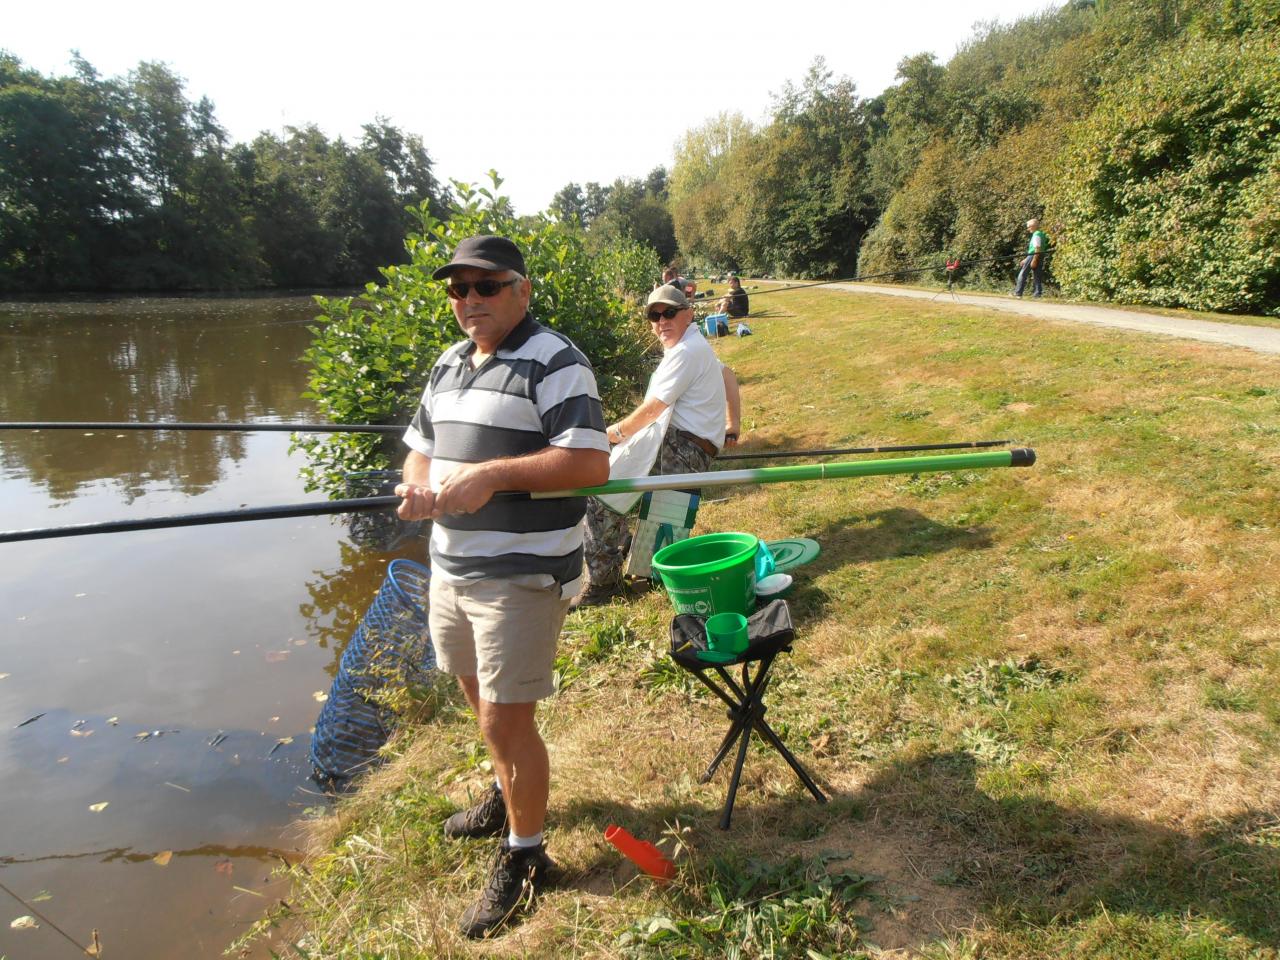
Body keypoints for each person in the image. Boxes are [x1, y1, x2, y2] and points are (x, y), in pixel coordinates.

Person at [395, 235, 610, 939]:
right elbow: (420, 446)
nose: (469, 302)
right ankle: (503, 792)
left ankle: (525, 857)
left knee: (504, 719)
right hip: (452, 564)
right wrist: (419, 486)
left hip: (520, 571)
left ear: (522, 290)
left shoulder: (556, 359)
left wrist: (491, 475)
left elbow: (587, 465)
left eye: (485, 287)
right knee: (472, 693)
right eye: (457, 289)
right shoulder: (450, 362)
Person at [574, 283, 739, 608]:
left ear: (689, 314)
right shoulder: (694, 345)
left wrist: (613, 434)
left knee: (600, 492)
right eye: (654, 315)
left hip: (683, 447)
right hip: (693, 447)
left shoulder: (685, 352)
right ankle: (634, 560)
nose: (661, 321)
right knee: (634, 500)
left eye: (669, 313)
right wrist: (733, 425)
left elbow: (653, 409)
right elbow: (727, 374)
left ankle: (603, 583)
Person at [1013, 218, 1049, 299]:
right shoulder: (1041, 234)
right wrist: (1026, 259)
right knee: (1037, 275)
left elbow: (1037, 248)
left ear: (1033, 226)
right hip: (1039, 255)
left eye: (1028, 227)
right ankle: (1037, 294)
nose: (1028, 229)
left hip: (1034, 255)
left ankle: (1018, 292)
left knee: (1023, 273)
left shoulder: (1036, 234)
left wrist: (1034, 260)